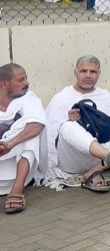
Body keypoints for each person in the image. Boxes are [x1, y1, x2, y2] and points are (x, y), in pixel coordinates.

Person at [45, 56, 110, 191]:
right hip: (74, 159)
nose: (88, 75)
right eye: (83, 71)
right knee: (67, 127)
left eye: (92, 72)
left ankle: (96, 169)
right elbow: (50, 139)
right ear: (75, 72)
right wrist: (71, 121)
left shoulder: (108, 97)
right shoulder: (61, 98)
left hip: (101, 157)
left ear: (99, 73)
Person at [0, 64, 46, 214]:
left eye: (26, 78)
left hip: (16, 174)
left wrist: (10, 143)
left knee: (30, 133)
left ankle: (17, 191)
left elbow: (37, 124)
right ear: (5, 83)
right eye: (21, 80)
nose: (27, 83)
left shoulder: (29, 97)